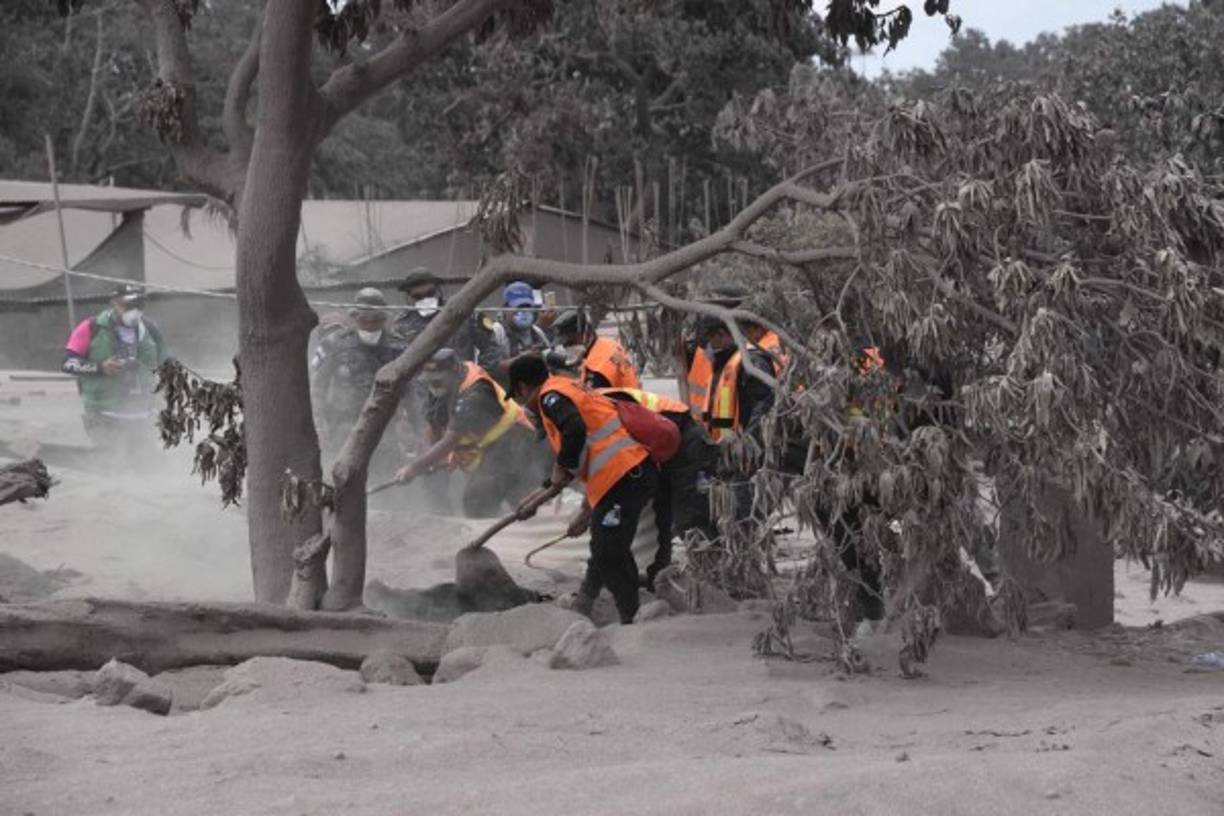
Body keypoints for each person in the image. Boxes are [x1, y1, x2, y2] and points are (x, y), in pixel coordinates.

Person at [507, 355, 658, 623]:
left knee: (607, 550)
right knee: (610, 546)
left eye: (518, 397)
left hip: (625, 475)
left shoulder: (550, 397)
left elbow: (574, 432)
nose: (523, 405)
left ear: (522, 388)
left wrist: (561, 467)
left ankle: (630, 619)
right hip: (623, 476)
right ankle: (613, 608)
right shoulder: (566, 387)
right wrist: (540, 495)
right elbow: (584, 456)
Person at [394, 348, 551, 517]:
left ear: (453, 371)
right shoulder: (440, 387)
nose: (434, 385)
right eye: (431, 381)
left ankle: (513, 536)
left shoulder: (475, 392)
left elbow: (450, 440)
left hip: (513, 441)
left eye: (438, 381)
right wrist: (427, 460)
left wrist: (415, 467)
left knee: (479, 500)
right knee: (504, 497)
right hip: (488, 445)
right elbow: (434, 426)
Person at [597, 386, 718, 589]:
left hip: (688, 441)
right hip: (662, 445)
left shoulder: (599, 411)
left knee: (691, 515)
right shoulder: (593, 405)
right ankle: (659, 573)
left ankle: (712, 577)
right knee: (660, 513)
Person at [310, 288, 408, 477]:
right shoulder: (333, 343)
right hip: (343, 426)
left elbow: (412, 391)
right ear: (355, 318)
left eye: (376, 320)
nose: (370, 325)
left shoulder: (399, 347)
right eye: (364, 319)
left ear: (384, 319)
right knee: (342, 477)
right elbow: (317, 387)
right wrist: (319, 425)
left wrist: (413, 427)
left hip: (385, 428)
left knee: (385, 477)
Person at [62, 283, 171, 450]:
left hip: (143, 415)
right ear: (114, 303)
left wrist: (164, 394)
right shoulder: (92, 327)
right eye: (129, 305)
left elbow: (168, 365)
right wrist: (100, 368)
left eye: (140, 305)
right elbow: (68, 364)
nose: (135, 310)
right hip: (104, 415)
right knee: (113, 467)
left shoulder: (150, 329)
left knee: (149, 469)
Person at [481, 281, 552, 388]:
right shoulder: (496, 331)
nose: (523, 312)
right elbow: (489, 369)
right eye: (518, 307)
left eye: (527, 307)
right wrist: (521, 360)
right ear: (506, 308)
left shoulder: (537, 332)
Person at [552, 308, 640, 389]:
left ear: (585, 334)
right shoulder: (606, 344)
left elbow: (589, 401)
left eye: (570, 342)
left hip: (621, 404)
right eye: (564, 344)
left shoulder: (597, 368)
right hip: (630, 399)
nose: (566, 346)